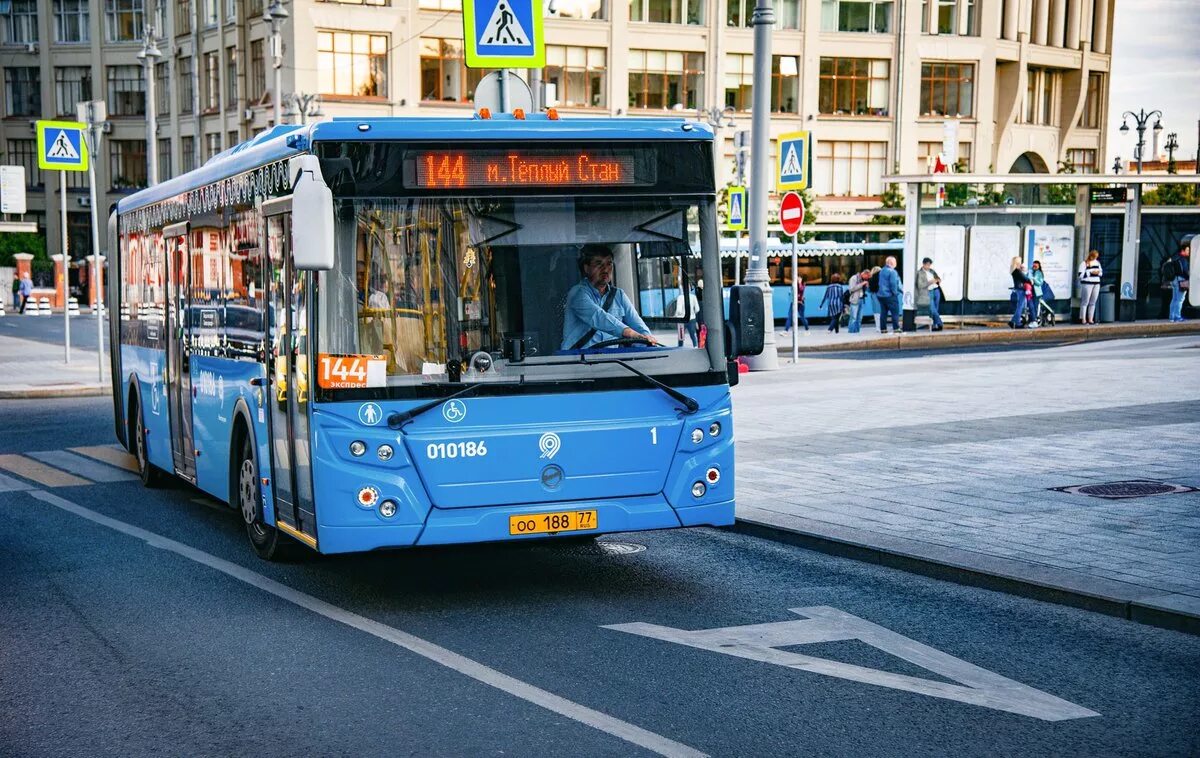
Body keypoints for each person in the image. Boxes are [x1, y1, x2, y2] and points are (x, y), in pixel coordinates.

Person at [561, 245, 656, 350]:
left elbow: (637, 324)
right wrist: (630, 333)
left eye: (609, 264)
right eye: (599, 264)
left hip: (611, 361)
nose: (605, 269)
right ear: (586, 268)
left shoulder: (619, 295)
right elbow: (598, 317)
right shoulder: (577, 293)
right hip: (577, 360)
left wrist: (647, 340)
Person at [916, 257, 944, 331]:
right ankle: (940, 323)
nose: (928, 266)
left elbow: (938, 278)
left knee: (936, 308)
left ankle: (935, 326)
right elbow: (920, 285)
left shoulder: (931, 271)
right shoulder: (920, 273)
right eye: (927, 265)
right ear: (924, 264)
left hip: (936, 290)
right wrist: (930, 282)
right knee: (932, 309)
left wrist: (938, 280)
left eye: (929, 265)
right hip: (928, 291)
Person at [876, 257, 902, 334]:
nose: (896, 264)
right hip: (889, 295)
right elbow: (893, 284)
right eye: (895, 262)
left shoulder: (882, 271)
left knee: (883, 313)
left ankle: (883, 329)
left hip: (881, 296)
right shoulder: (892, 272)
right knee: (895, 312)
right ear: (891, 263)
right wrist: (895, 293)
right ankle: (896, 328)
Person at [1166, 242, 1191, 322]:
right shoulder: (1183, 259)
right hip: (1181, 280)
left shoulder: (1175, 257)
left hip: (1174, 280)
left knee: (1174, 299)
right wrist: (1189, 276)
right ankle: (1177, 316)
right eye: (1187, 250)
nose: (1189, 252)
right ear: (1183, 250)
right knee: (1180, 299)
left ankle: (1172, 317)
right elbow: (1185, 271)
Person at [1078, 250, 1102, 325]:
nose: (1094, 258)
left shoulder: (1097, 263)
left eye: (1096, 257)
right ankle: (1083, 319)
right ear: (1091, 256)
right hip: (1087, 283)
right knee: (1085, 301)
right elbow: (1080, 275)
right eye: (1094, 257)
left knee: (1093, 302)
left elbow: (1101, 273)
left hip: (1096, 283)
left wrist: (1098, 273)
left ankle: (1091, 319)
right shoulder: (1084, 263)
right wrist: (1090, 272)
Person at [1010, 257, 1032, 328]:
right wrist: (1031, 281)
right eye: (1020, 261)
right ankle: (1017, 323)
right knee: (1020, 307)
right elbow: (1025, 279)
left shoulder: (1014, 270)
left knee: (1019, 306)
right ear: (1017, 262)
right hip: (1021, 289)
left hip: (1018, 289)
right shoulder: (1017, 271)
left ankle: (1013, 321)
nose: (1021, 263)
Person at [846, 268, 870, 334]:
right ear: (864, 274)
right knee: (853, 317)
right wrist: (862, 284)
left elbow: (866, 291)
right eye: (867, 277)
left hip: (861, 300)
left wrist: (867, 286)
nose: (867, 278)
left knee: (859, 318)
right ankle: (851, 332)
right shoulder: (854, 278)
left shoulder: (863, 280)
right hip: (855, 300)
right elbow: (852, 289)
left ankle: (857, 332)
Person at [1029, 260, 1046, 326]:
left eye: (1036, 266)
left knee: (1034, 306)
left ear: (1039, 266)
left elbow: (1040, 283)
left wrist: (1034, 279)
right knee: (1030, 306)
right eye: (1033, 266)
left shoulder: (1039, 273)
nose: (1034, 267)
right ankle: (1031, 319)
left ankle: (1034, 320)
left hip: (1036, 293)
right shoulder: (1031, 272)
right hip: (1030, 291)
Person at [867, 265, 883, 333]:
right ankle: (882, 327)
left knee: (876, 313)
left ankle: (877, 327)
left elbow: (869, 290)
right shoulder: (881, 277)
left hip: (874, 297)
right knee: (882, 312)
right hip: (881, 296)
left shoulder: (871, 279)